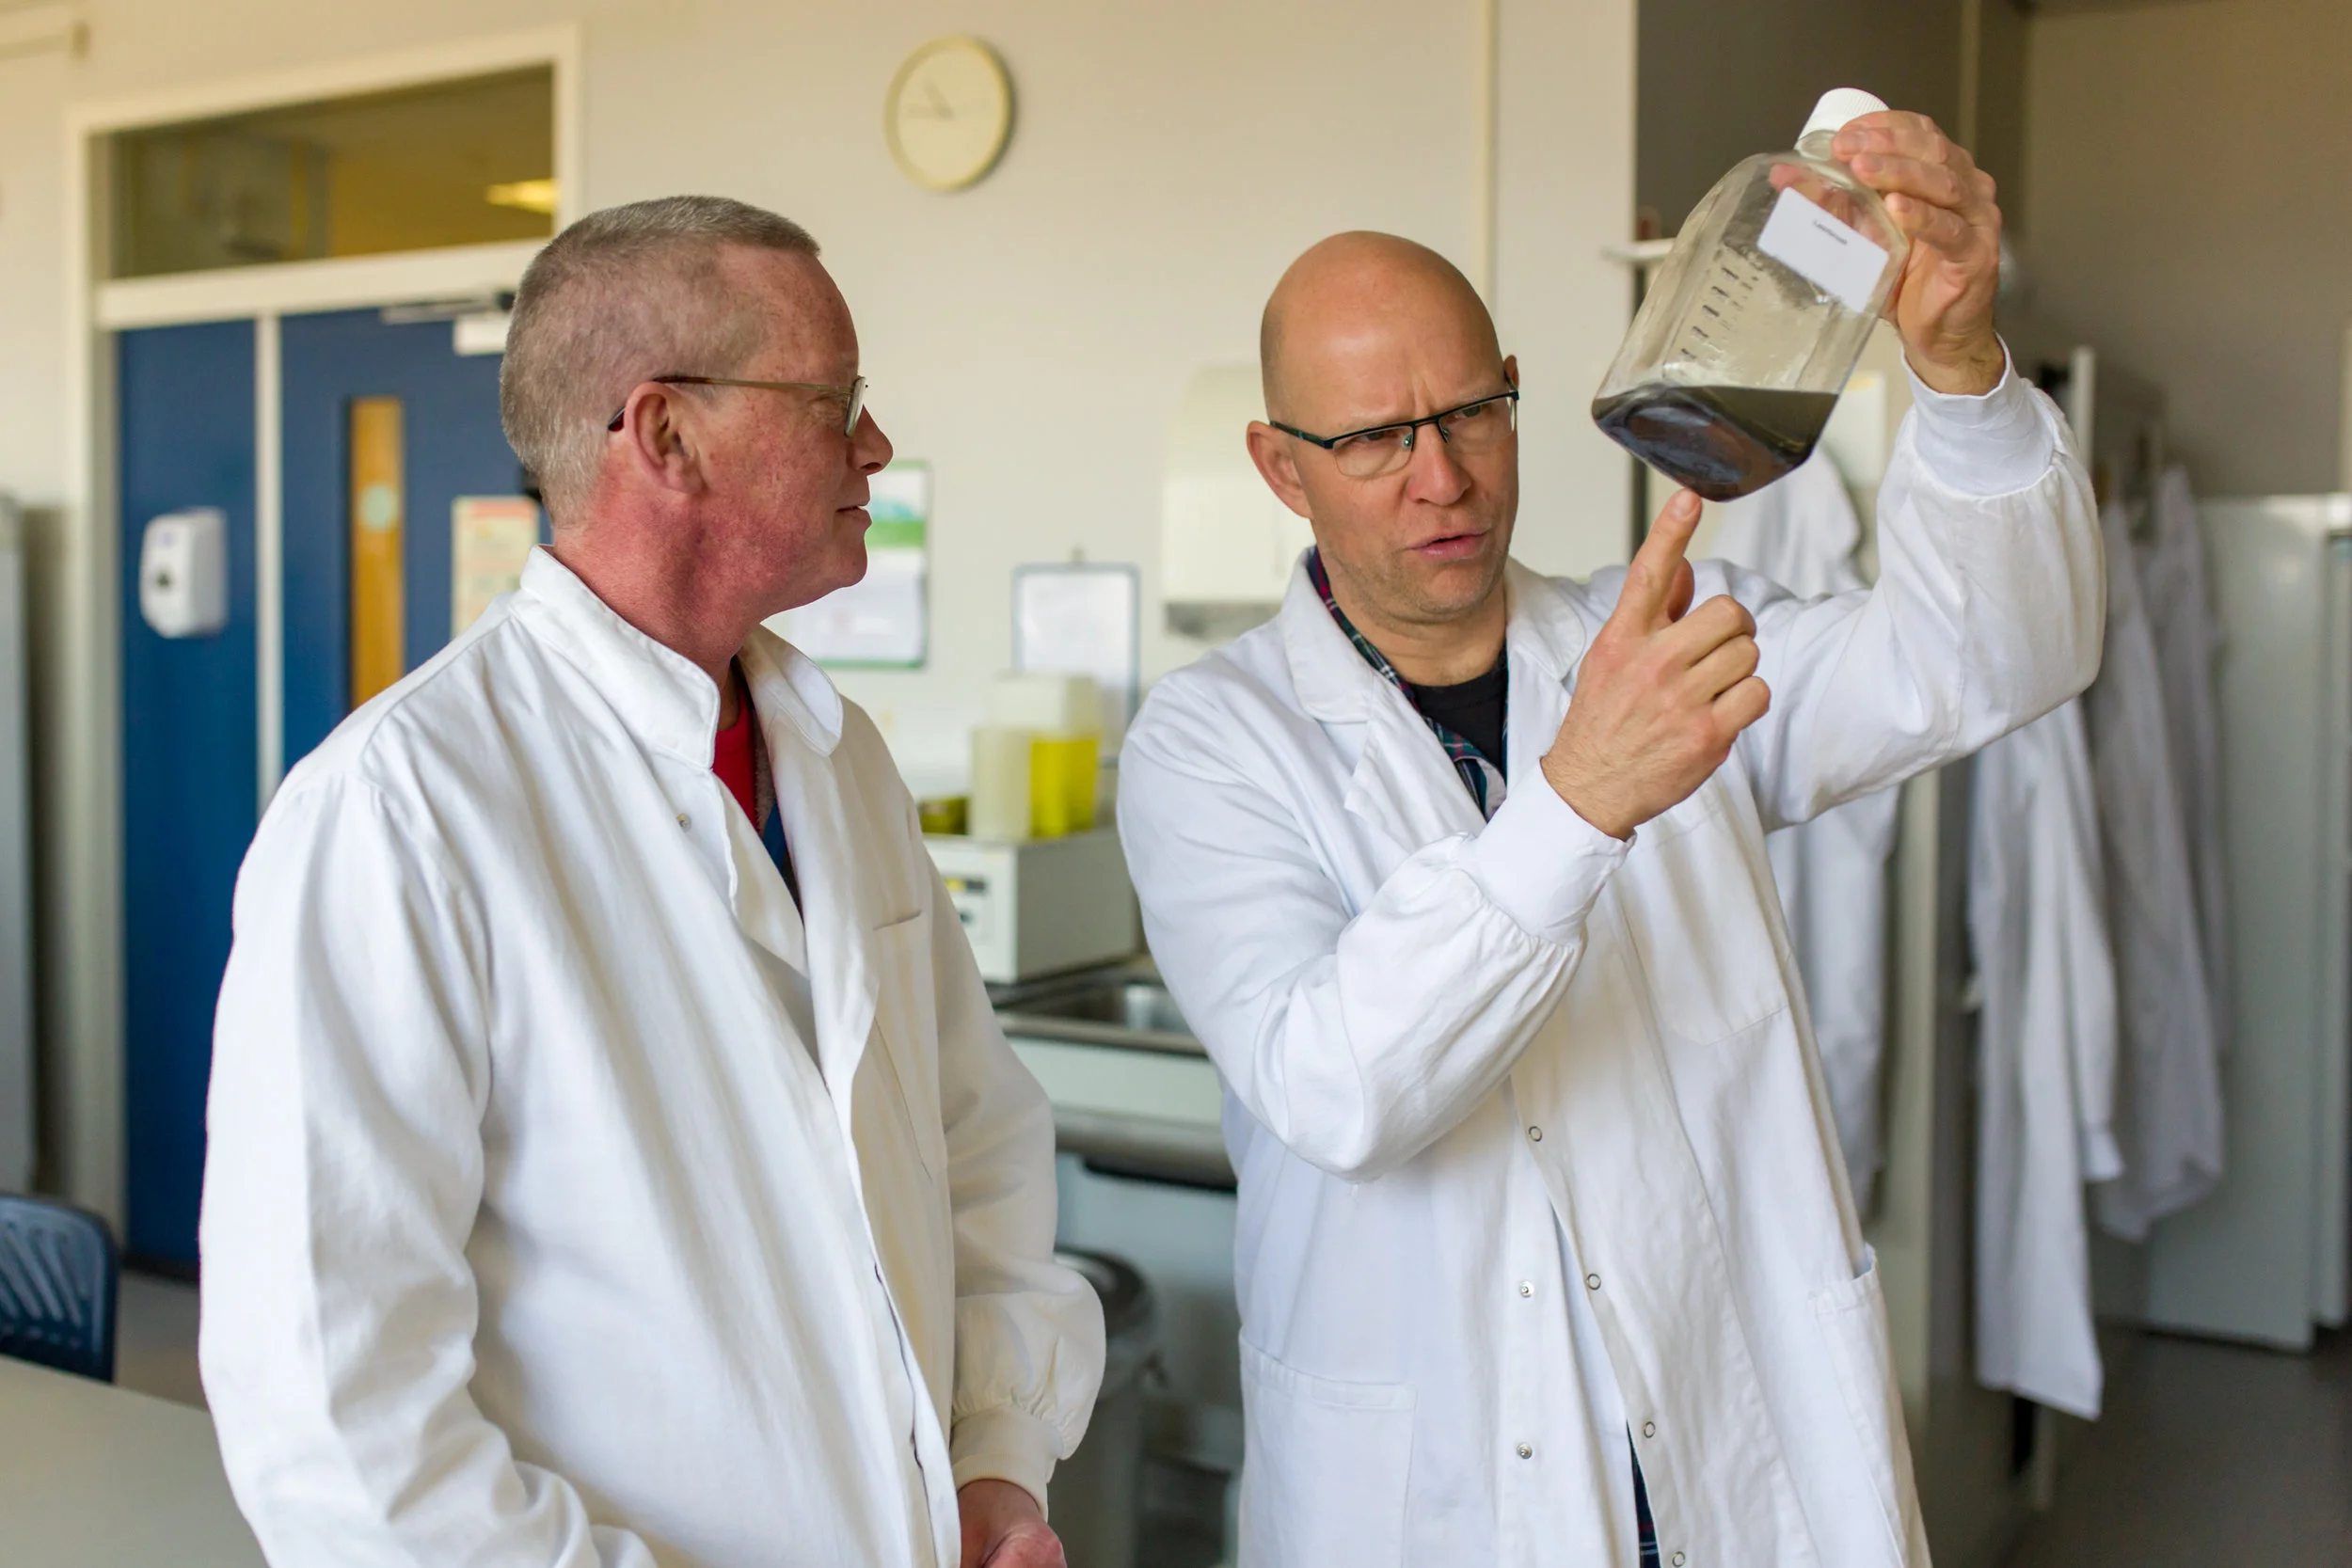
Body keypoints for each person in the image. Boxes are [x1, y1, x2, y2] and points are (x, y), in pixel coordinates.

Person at [1118, 113, 2099, 1567]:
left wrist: (1959, 372)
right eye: (1378, 437)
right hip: (1441, 1491)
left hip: (1723, 1431)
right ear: (1280, 466)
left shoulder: (1669, 639)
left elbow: (1998, 659)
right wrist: (1576, 801)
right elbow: (1332, 1087)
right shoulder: (1208, 740)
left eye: (1472, 411)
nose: (1442, 476)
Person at [199, 197, 1103, 1568]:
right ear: (666, 434)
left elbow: (974, 1148)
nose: (875, 442)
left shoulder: (833, 756)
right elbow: (337, 1425)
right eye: (835, 398)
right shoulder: (403, 810)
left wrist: (991, 1462)